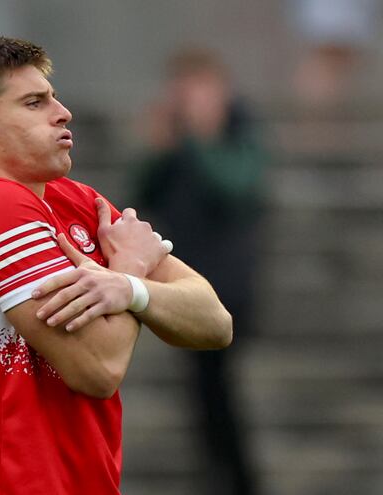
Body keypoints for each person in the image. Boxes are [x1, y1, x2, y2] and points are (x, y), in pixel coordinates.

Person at [0, 36, 232, 495]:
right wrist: (130, 273)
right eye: (34, 102)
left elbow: (215, 320)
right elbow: (97, 369)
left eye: (54, 97)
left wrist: (130, 289)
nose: (62, 112)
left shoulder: (75, 199)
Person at [132, 48, 269, 495]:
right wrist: (159, 147)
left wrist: (198, 138)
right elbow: (143, 192)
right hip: (185, 285)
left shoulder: (239, 134)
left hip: (230, 286)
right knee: (205, 388)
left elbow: (234, 187)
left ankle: (239, 477)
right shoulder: (176, 142)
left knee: (222, 388)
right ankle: (223, 473)